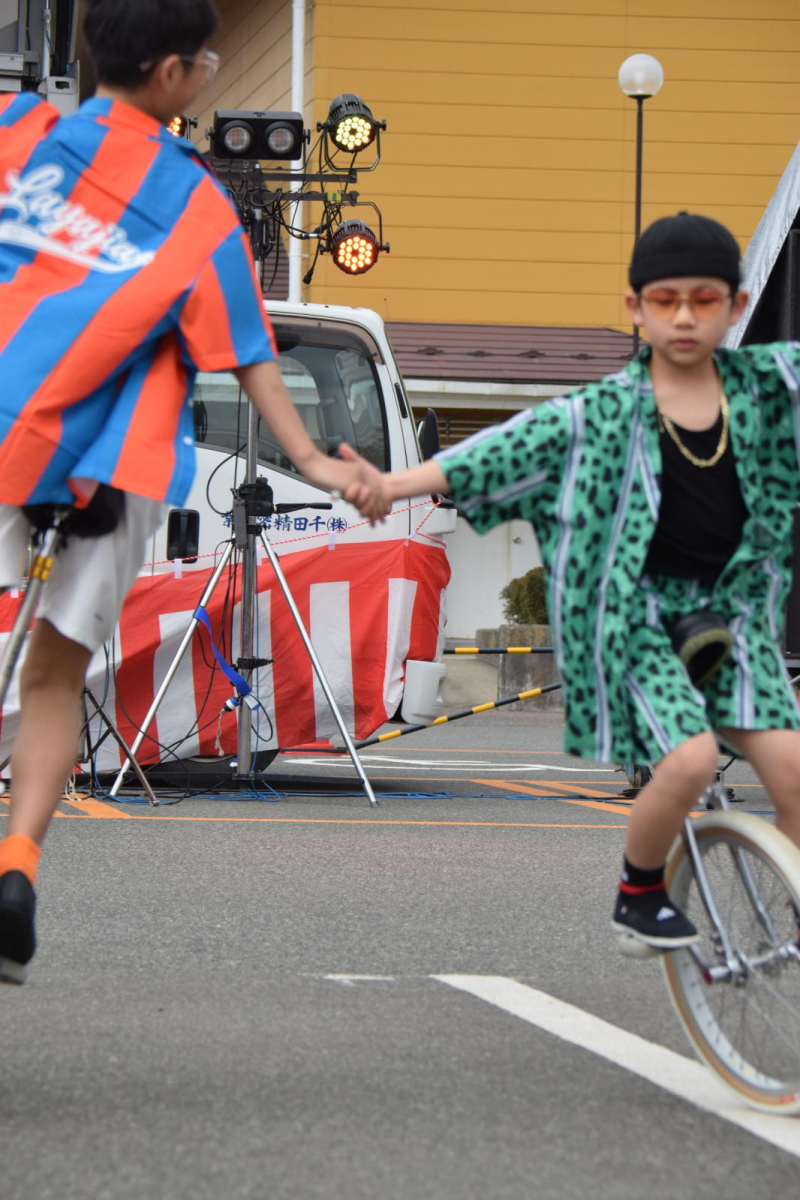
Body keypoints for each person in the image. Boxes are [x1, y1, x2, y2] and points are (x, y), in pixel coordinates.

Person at [0, 0, 384, 985]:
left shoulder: (16, 132)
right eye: (207, 58)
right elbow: (247, 353)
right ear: (172, 73)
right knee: (52, 677)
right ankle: (18, 865)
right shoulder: (196, 201)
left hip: (4, 421)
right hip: (107, 464)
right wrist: (318, 462)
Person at [352, 210, 800, 953]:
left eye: (704, 299)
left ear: (737, 306)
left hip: (731, 617)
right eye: (664, 300)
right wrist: (389, 485)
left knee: (793, 773)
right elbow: (494, 452)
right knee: (689, 760)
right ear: (635, 308)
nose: (684, 317)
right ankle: (639, 891)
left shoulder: (771, 389)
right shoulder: (601, 415)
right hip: (633, 622)